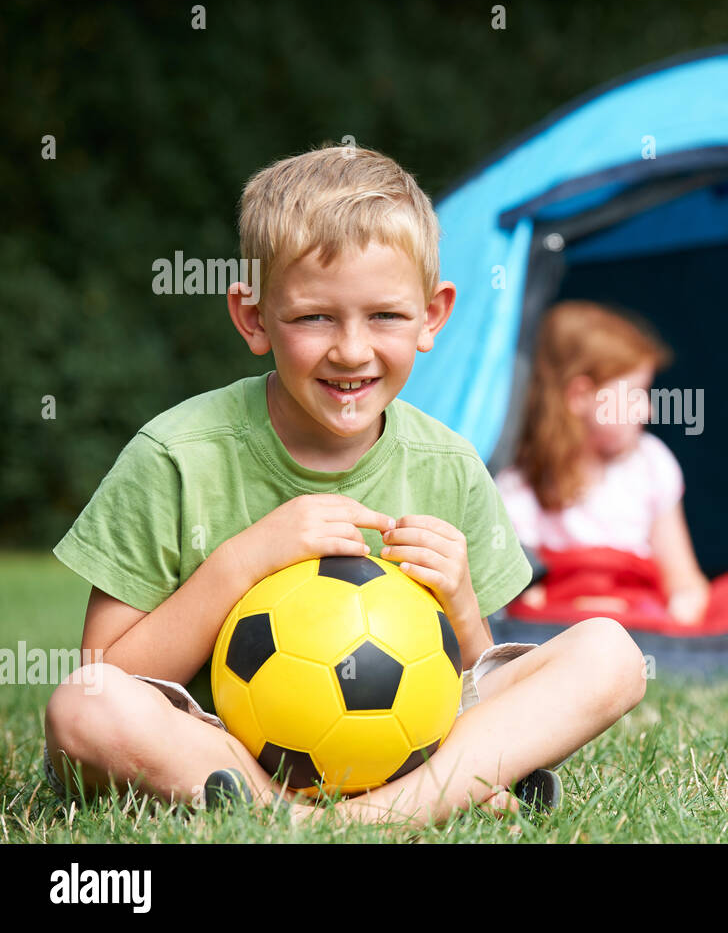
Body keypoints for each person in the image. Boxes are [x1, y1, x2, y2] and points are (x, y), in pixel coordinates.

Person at [42, 146, 647, 826]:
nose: (352, 350)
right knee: (83, 705)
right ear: (253, 317)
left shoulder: (447, 464)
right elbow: (106, 671)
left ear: (432, 316)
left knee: (611, 653)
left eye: (384, 316)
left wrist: (463, 605)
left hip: (401, 749)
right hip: (213, 753)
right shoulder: (176, 456)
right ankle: (359, 810)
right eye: (314, 317)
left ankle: (377, 813)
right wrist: (244, 561)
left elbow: (473, 682)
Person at [495, 301, 710, 626]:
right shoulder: (520, 482)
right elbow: (518, 594)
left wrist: (682, 611)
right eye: (635, 393)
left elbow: (684, 579)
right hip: (563, 621)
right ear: (580, 396)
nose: (648, 410)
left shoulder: (650, 463)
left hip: (638, 615)